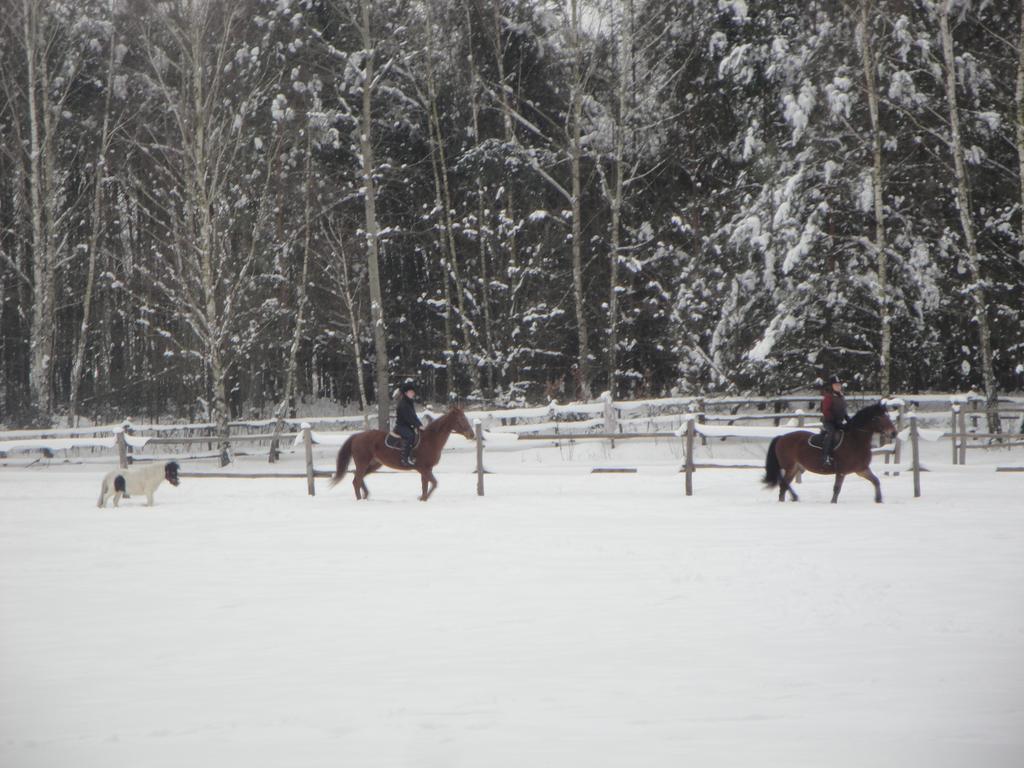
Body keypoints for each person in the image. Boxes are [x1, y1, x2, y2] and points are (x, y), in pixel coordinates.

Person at [820, 374, 849, 466]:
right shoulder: (828, 397)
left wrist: (848, 419)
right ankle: (826, 456)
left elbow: (843, 410)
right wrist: (834, 420)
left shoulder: (841, 397)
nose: (838, 386)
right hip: (829, 422)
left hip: (839, 422)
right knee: (831, 433)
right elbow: (826, 411)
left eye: (839, 385)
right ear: (831, 386)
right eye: (836, 385)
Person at [394, 379, 422, 467]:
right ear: (406, 393)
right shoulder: (403, 404)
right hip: (401, 426)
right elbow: (408, 417)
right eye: (411, 392)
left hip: (408, 426)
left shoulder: (409, 402)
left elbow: (414, 416)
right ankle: (405, 458)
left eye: (413, 392)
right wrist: (418, 425)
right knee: (410, 436)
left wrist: (420, 425)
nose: (413, 393)